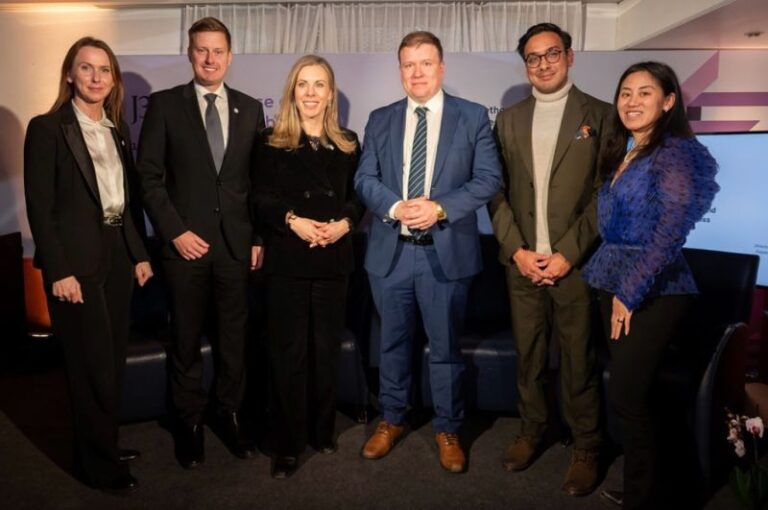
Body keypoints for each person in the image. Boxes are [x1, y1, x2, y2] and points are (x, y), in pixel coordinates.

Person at [355, 31, 502, 473]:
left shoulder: (472, 116)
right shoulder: (380, 118)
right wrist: (396, 207)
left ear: (441, 67)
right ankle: (392, 418)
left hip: (446, 254)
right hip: (391, 254)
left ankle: (448, 427)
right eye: (408, 64)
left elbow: (488, 179)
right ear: (400, 70)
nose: (416, 72)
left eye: (425, 63)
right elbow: (364, 179)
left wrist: (438, 208)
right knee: (391, 343)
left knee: (446, 348)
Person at [582, 61, 719, 509]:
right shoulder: (625, 149)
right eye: (625, 93)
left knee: (628, 395)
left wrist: (629, 291)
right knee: (637, 394)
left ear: (668, 101)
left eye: (644, 93)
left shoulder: (674, 152)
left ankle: (645, 498)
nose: (632, 101)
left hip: (654, 286)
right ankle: (656, 488)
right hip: (612, 276)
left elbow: (670, 231)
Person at [24, 36, 153, 493]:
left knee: (112, 360)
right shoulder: (47, 128)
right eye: (86, 68)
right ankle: (97, 466)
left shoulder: (116, 130)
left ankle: (105, 445)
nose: (96, 78)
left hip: (117, 254)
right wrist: (59, 271)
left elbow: (126, 200)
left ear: (113, 79)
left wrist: (139, 254)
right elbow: (40, 207)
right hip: (75, 264)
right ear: (69, 74)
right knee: (90, 365)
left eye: (104, 70)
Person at [136, 17, 265, 468]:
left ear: (230, 56)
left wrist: (258, 236)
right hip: (184, 247)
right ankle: (188, 421)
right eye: (202, 50)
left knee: (234, 338)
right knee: (186, 338)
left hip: (235, 246)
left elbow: (257, 181)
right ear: (190, 54)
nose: (210, 59)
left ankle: (229, 412)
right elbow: (149, 177)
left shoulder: (250, 108)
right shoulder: (165, 105)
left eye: (218, 51)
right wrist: (174, 231)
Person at [489, 22, 611, 496]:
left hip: (574, 265)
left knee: (579, 360)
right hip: (522, 263)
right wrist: (517, 251)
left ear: (570, 56)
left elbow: (605, 195)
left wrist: (567, 254)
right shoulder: (508, 119)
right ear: (526, 65)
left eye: (552, 53)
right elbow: (494, 192)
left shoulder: (600, 115)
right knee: (529, 356)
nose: (543, 64)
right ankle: (532, 430)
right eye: (533, 57)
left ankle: (586, 446)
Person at [252, 54, 364, 479]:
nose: (311, 93)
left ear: (331, 94)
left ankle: (321, 430)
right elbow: (259, 198)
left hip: (333, 259)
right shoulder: (271, 140)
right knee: (289, 355)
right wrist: (292, 221)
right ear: (292, 92)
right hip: (289, 259)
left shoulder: (348, 142)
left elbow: (358, 196)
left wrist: (344, 224)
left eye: (319, 84)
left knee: (325, 350)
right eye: (303, 84)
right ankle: (287, 443)